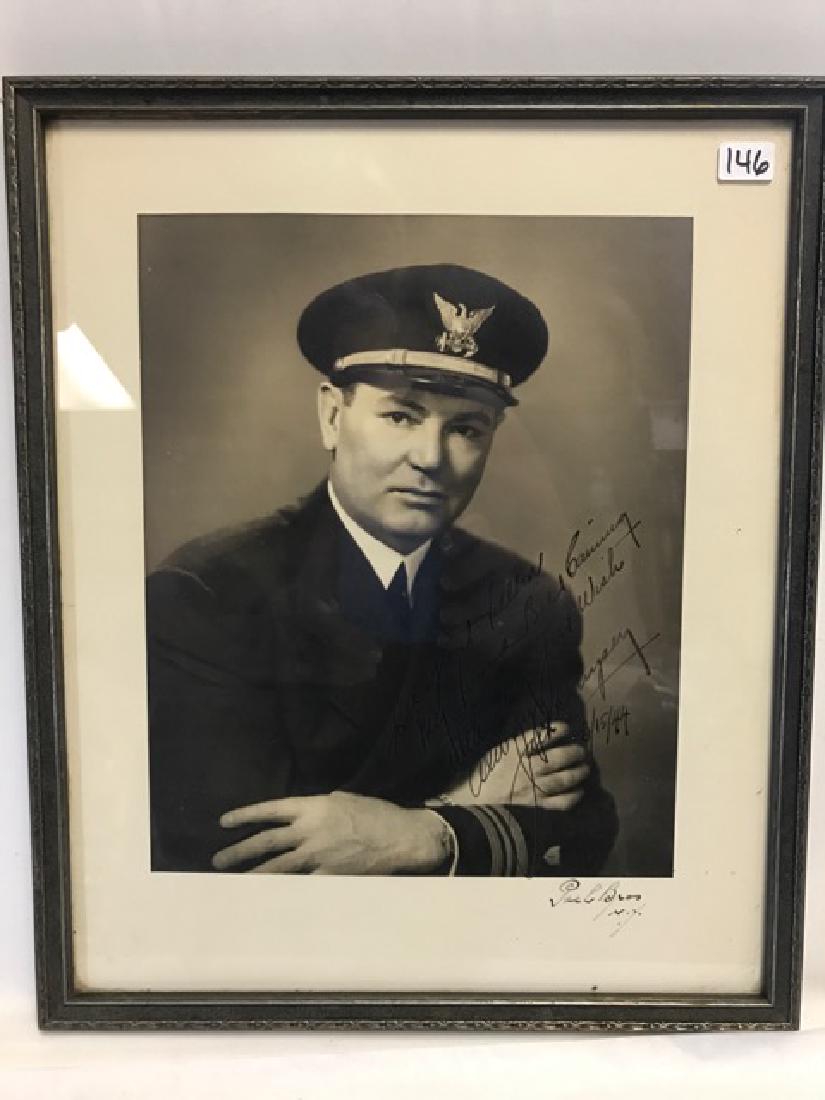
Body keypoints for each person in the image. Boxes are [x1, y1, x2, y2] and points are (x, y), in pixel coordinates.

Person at [147, 263, 618, 875]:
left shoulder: (528, 602)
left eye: (466, 428)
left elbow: (580, 831)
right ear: (332, 417)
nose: (429, 458)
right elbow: (233, 858)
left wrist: (428, 833)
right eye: (402, 416)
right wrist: (466, 810)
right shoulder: (207, 594)